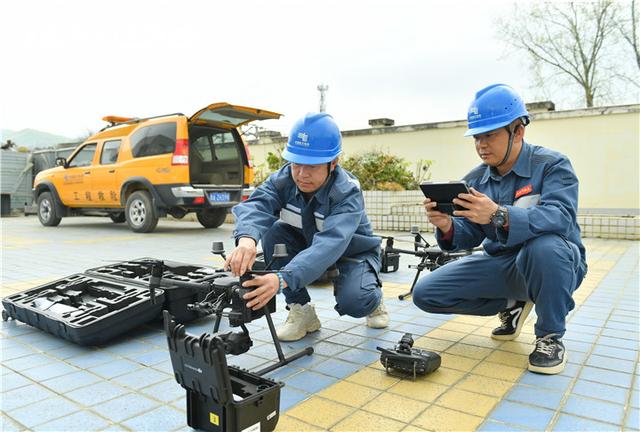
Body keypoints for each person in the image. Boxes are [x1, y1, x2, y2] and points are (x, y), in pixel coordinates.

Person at [413, 83, 587, 375]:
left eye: (490, 135)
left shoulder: (552, 165)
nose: (481, 145)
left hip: (555, 263)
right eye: (477, 137)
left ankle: (550, 336)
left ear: (518, 131)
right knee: (426, 293)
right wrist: (447, 226)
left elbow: (560, 216)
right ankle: (512, 302)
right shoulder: (476, 180)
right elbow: (470, 234)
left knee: (543, 248)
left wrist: (499, 215)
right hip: (503, 264)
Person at [225, 112, 389, 342]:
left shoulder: (347, 192)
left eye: (311, 166)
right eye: (296, 164)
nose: (302, 174)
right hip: (308, 245)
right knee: (274, 232)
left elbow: (330, 243)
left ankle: (373, 297)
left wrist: (281, 279)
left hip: (352, 252)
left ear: (333, 163)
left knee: (356, 302)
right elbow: (257, 205)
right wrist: (246, 240)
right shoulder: (284, 179)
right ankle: (302, 311)